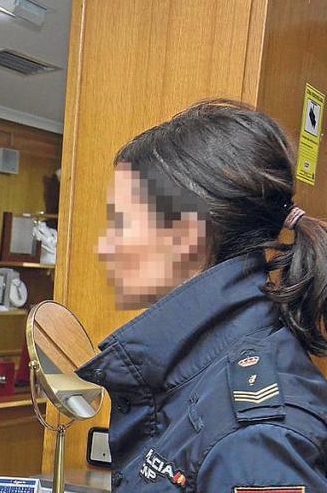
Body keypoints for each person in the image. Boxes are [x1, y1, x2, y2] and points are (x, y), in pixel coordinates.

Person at [77, 100, 327, 491]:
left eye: (121, 223)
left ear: (184, 238)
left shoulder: (251, 440)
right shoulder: (199, 376)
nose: (105, 247)